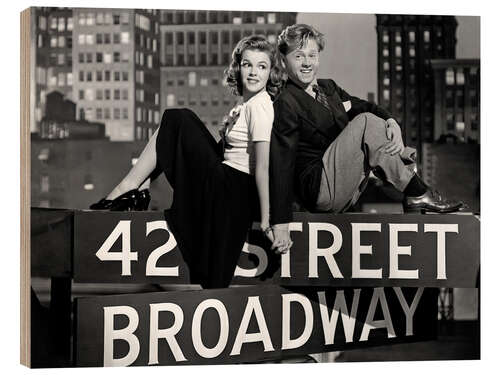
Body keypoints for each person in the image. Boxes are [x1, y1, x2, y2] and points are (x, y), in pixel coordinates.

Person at [90, 35, 284, 288]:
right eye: (248, 64)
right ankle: (137, 188)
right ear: (238, 68)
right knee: (173, 124)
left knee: (177, 118)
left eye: (262, 66)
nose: (254, 72)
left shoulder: (260, 106)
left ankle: (129, 189)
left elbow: (262, 165)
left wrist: (269, 217)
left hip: (230, 188)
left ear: (271, 73)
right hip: (224, 181)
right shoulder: (246, 104)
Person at [269, 24, 463, 252]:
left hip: (347, 186)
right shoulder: (285, 102)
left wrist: (392, 122)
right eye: (298, 56)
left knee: (389, 135)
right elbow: (281, 163)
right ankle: (418, 192)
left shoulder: (328, 88)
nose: (307, 62)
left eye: (312, 55)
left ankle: (414, 196)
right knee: (367, 123)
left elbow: (365, 106)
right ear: (283, 60)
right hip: (318, 187)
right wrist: (280, 223)